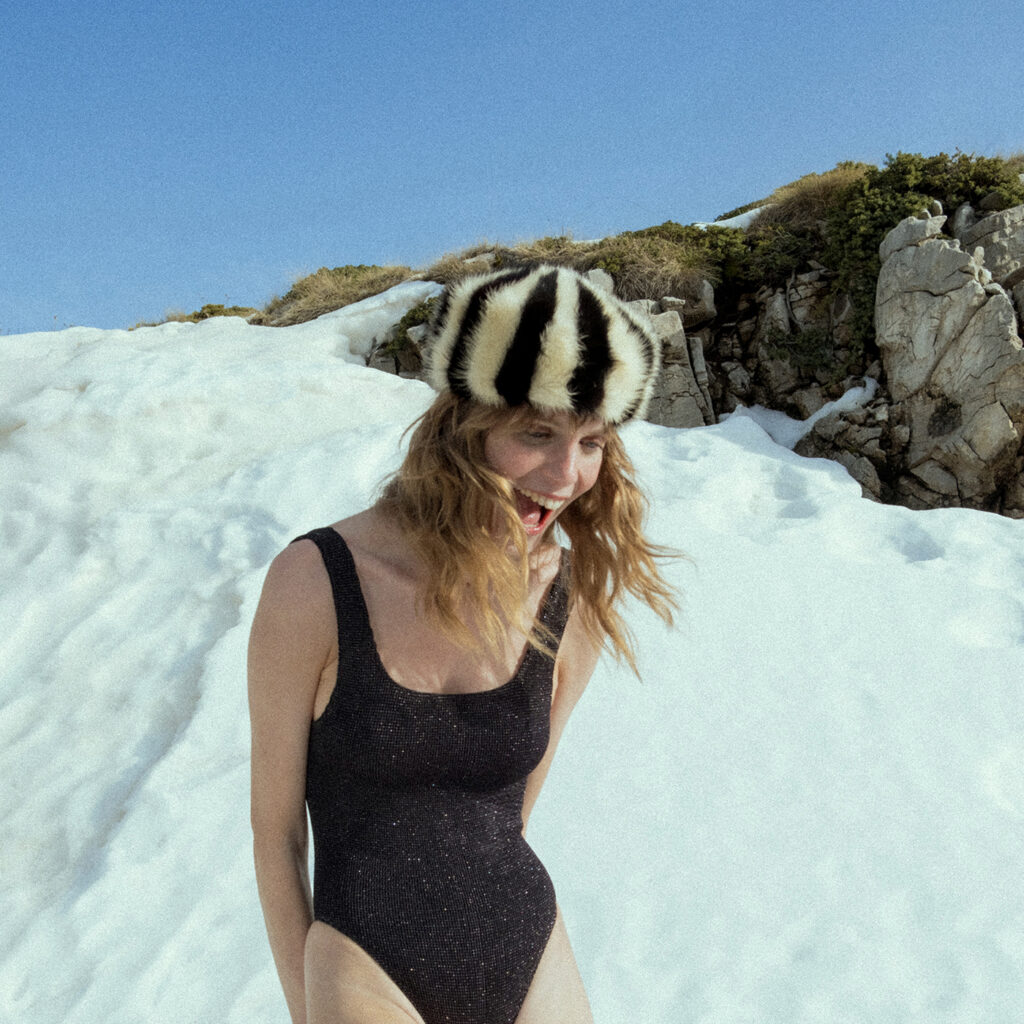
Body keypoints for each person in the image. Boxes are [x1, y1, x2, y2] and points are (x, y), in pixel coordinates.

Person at [248, 264, 677, 1024]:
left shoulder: (570, 598)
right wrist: (305, 1007)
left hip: (525, 946)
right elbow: (276, 833)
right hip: (362, 961)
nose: (567, 475)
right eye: (537, 433)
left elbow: (511, 816)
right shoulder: (316, 581)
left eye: (592, 442)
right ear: (462, 426)